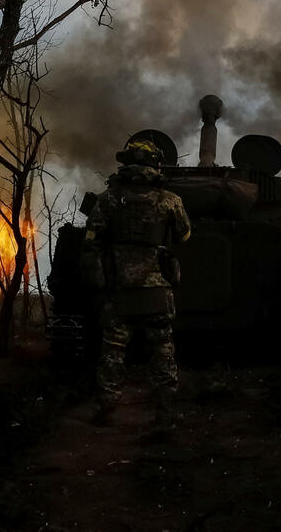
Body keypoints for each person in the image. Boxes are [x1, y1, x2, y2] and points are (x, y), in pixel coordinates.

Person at [82, 139, 191, 427]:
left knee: (113, 349)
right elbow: (184, 236)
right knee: (163, 348)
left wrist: (101, 276)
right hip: (156, 288)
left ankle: (106, 405)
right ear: (155, 164)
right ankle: (166, 411)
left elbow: (92, 238)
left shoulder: (108, 199)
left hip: (120, 288)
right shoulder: (170, 200)